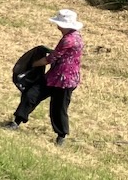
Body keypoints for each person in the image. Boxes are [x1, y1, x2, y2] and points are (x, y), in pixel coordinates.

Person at [5, 10, 84, 145]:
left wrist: (33, 63)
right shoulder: (76, 36)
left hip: (64, 80)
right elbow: (61, 54)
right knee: (32, 95)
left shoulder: (68, 40)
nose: (57, 26)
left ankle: (61, 136)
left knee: (58, 107)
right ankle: (17, 122)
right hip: (55, 76)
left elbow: (51, 59)